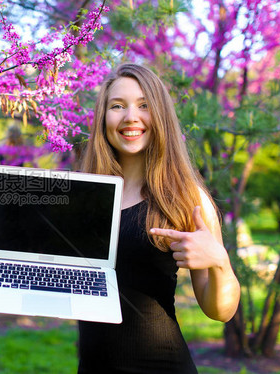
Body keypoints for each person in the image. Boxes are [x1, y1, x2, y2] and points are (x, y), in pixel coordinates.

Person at [78, 63, 240, 373]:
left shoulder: (186, 198)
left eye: (144, 105)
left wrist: (218, 260)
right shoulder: (85, 195)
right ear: (103, 118)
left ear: (161, 116)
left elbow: (221, 311)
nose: (130, 117)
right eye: (117, 106)